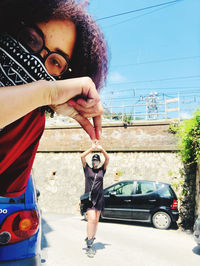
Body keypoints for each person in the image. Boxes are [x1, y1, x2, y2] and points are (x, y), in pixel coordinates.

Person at [0, 0, 108, 197]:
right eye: (32, 40)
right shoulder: (44, 97)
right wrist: (48, 93)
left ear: (64, 77)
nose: (37, 60)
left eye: (56, 61)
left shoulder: (32, 124)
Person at [80, 142, 109, 257]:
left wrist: (102, 150)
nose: (95, 163)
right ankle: (89, 244)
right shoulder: (87, 169)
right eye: (93, 161)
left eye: (97, 161)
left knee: (96, 220)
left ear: (99, 162)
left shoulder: (102, 170)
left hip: (99, 198)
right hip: (90, 199)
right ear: (92, 162)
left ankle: (91, 240)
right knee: (91, 219)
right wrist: (91, 149)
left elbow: (107, 158)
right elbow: (82, 156)